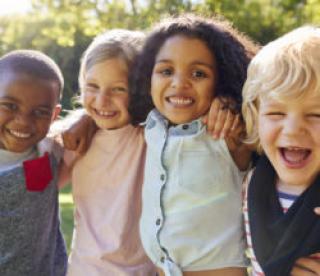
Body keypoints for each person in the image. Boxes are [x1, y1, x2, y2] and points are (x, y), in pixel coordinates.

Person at [130, 14, 258, 276]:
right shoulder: (152, 124)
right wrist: (82, 121)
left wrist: (232, 105)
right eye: (166, 71)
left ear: (221, 80)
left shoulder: (228, 129)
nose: (179, 83)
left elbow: (263, 110)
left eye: (199, 73)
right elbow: (105, 103)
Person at [60, 29, 157, 276]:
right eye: (92, 86)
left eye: (118, 89)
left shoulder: (153, 135)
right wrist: (83, 116)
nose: (102, 101)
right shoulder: (73, 138)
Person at [242, 26, 320, 276]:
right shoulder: (249, 183)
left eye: (316, 114)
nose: (294, 129)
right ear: (255, 115)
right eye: (276, 113)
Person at [0, 50, 67, 276]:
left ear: (54, 115)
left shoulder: (49, 151)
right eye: (9, 105)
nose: (23, 122)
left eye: (40, 112)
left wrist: (85, 122)